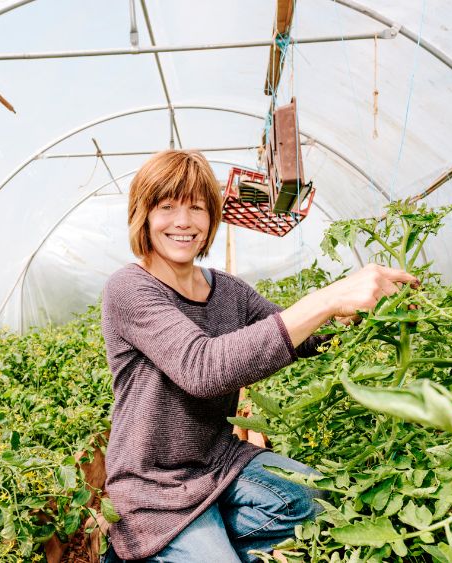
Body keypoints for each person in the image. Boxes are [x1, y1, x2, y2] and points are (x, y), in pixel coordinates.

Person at [100, 150, 417, 562]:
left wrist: (356, 314)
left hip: (218, 460)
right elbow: (203, 368)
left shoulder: (228, 291)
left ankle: (206, 540)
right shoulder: (129, 288)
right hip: (153, 484)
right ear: (143, 216)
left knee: (315, 498)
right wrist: (328, 296)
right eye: (167, 207)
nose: (183, 221)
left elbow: (301, 336)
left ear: (212, 218)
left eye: (196, 207)